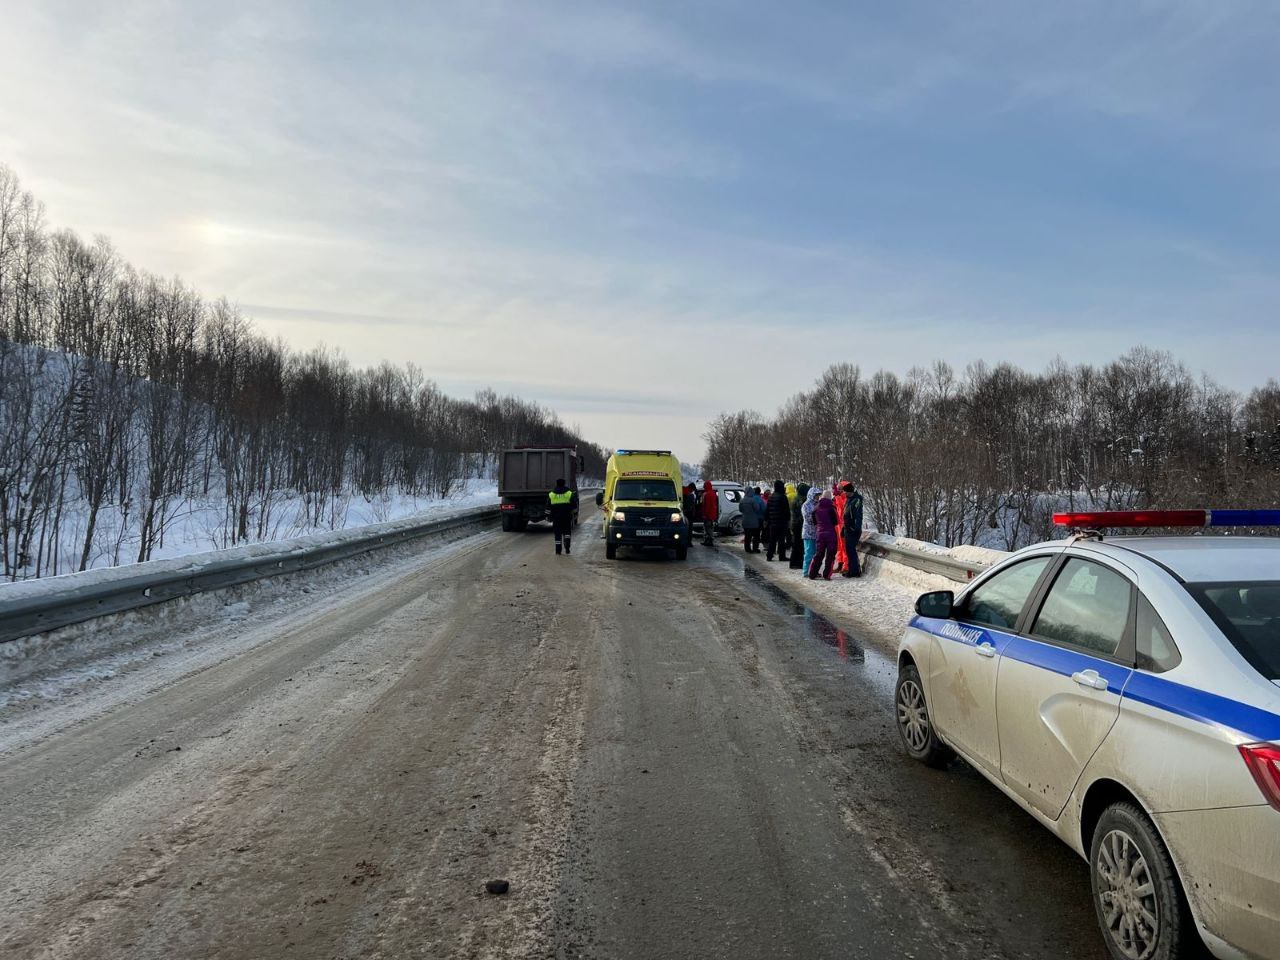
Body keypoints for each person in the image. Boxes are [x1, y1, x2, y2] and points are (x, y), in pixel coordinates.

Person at [808, 490, 839, 580]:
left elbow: (814, 521)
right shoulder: (832, 507)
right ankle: (827, 574)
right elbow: (835, 522)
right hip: (830, 534)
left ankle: (812, 574)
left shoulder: (816, 507)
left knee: (819, 554)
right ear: (830, 497)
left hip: (819, 533)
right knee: (830, 554)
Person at [840, 481, 865, 578]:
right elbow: (845, 515)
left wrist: (855, 528)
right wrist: (843, 528)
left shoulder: (856, 500)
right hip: (847, 528)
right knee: (849, 550)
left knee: (851, 550)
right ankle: (852, 569)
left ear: (850, 491)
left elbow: (858, 516)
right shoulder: (849, 500)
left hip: (852, 529)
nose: (844, 494)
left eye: (845, 492)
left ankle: (854, 571)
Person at [548, 478, 577, 555]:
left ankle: (558, 551)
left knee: (557, 534)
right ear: (564, 484)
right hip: (566, 517)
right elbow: (574, 505)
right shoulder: (569, 493)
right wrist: (572, 512)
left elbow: (548, 507)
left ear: (556, 484)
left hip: (556, 518)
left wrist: (548, 516)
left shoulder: (551, 494)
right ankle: (567, 546)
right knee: (567, 532)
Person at [765, 479, 791, 561]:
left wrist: (767, 519)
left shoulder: (771, 497)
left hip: (772, 522)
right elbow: (786, 510)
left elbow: (767, 509)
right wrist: (788, 519)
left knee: (772, 539)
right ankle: (781, 556)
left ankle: (769, 555)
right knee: (781, 540)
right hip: (781, 522)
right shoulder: (783, 497)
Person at [789, 482, 810, 570]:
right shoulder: (801, 500)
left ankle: (794, 562)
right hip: (799, 524)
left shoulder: (796, 498)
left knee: (796, 544)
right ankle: (798, 563)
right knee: (800, 544)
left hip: (794, 523)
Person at [739, 485, 765, 553]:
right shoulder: (753, 500)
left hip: (745, 520)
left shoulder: (742, 500)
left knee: (747, 536)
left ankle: (747, 549)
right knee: (756, 535)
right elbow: (757, 508)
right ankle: (755, 548)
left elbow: (740, 510)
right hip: (753, 521)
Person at [801, 486, 820, 575]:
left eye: (818, 495)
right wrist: (815, 510)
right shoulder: (806, 505)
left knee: (816, 554)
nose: (817, 497)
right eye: (816, 495)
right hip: (808, 533)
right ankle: (806, 571)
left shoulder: (818, 504)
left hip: (816, 533)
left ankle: (814, 571)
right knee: (809, 553)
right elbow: (808, 518)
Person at [833, 481, 848, 575]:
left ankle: (846, 565)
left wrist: (838, 497)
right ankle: (840, 563)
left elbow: (843, 508)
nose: (838, 490)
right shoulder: (837, 497)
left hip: (844, 524)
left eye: (840, 489)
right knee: (839, 546)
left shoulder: (846, 498)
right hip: (838, 524)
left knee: (845, 546)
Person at [699, 479, 719, 547]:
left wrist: (705, 514)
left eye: (704, 486)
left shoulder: (707, 495)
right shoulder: (713, 493)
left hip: (708, 515)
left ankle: (709, 541)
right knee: (710, 528)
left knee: (708, 529)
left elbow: (707, 506)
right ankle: (708, 541)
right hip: (712, 514)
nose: (704, 487)